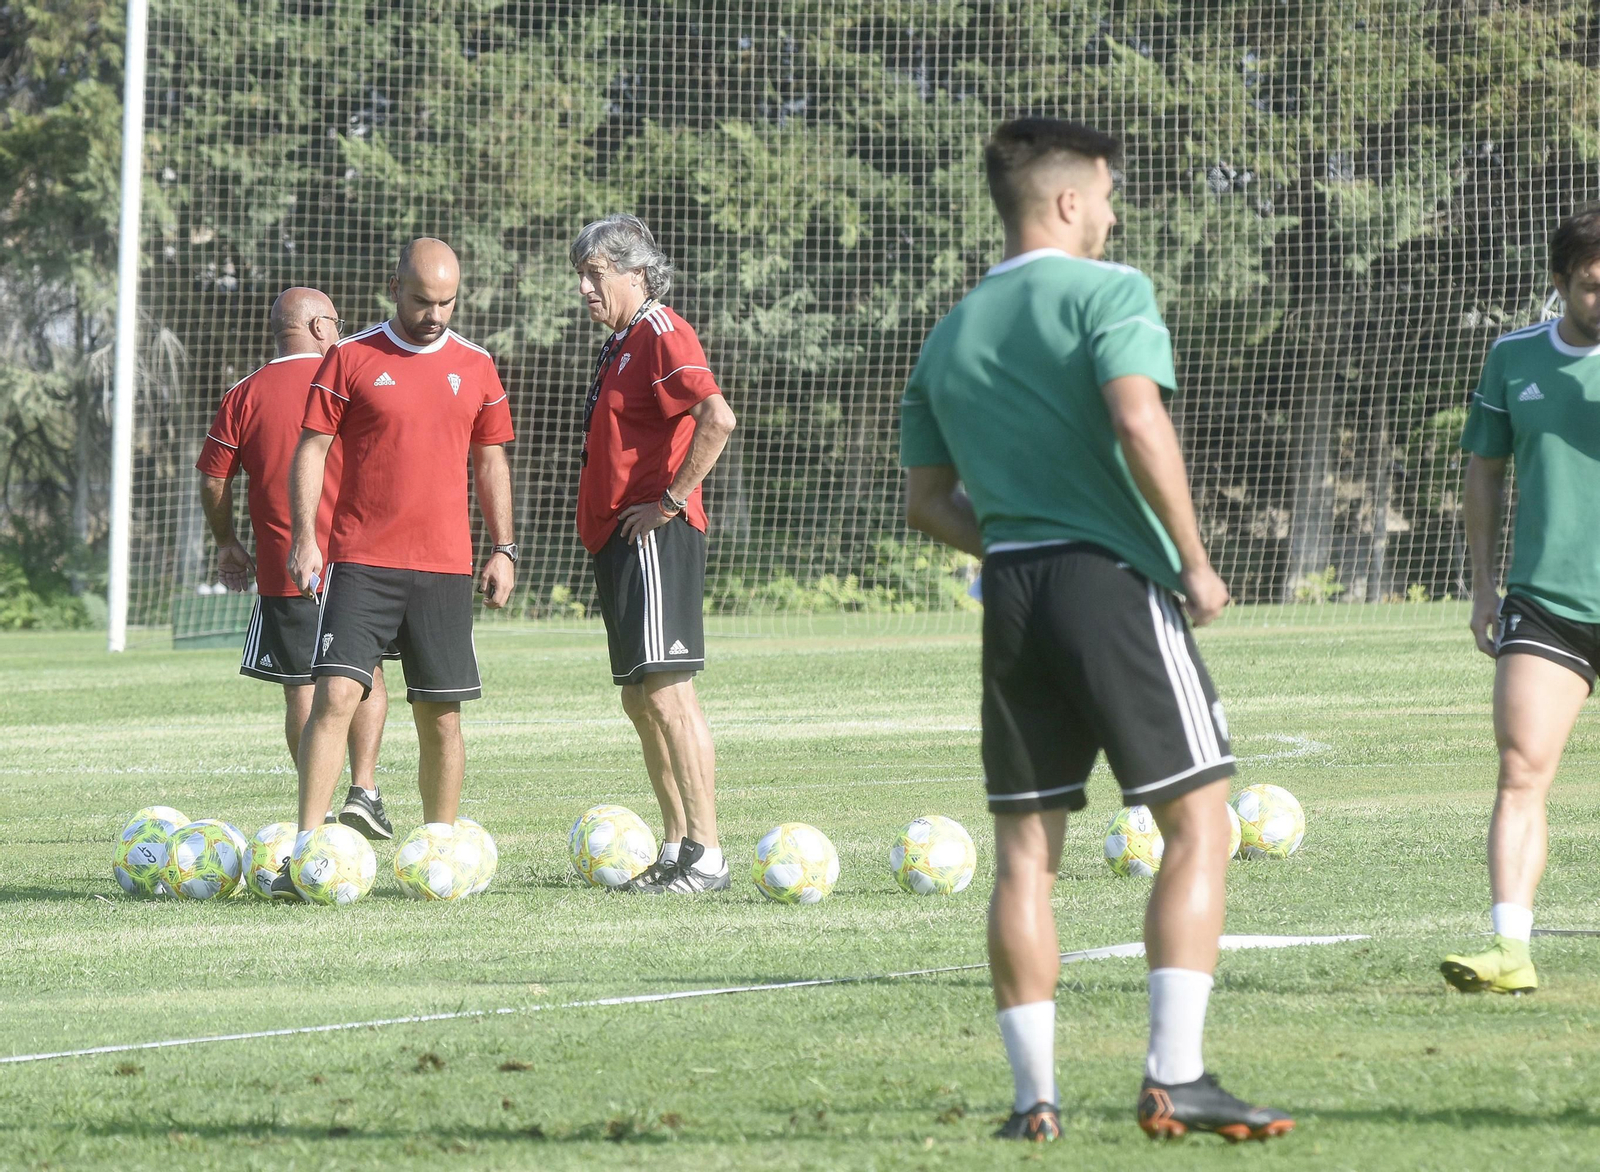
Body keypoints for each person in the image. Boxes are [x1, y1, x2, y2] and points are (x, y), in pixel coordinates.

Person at [900, 118, 1292, 1143]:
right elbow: (1136, 416)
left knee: (1026, 853)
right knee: (1199, 824)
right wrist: (1195, 560)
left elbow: (927, 502)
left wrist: (1014, 538)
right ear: (1067, 201)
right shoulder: (1108, 292)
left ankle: (1034, 1100)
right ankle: (1177, 1072)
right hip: (1109, 585)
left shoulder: (951, 330)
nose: (1113, 216)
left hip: (1012, 591)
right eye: (1107, 197)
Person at [273, 239, 516, 899]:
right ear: (394, 287)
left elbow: (491, 460)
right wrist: (306, 537)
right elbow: (313, 448)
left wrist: (504, 547)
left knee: (441, 716)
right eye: (421, 300)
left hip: (443, 569)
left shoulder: (478, 366)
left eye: (447, 301)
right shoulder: (350, 358)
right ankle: (307, 852)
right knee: (335, 697)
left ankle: (440, 851)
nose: (435, 313)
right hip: (362, 562)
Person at [1442, 208, 1600, 994]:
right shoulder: (1513, 359)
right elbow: (1484, 472)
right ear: (1561, 283)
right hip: (1546, 603)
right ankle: (1510, 949)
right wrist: (1481, 588)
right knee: (1520, 770)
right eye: (1593, 287)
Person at [570, 214, 737, 894]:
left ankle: (708, 854)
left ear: (635, 273)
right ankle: (675, 847)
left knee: (668, 692)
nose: (583, 288)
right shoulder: (621, 343)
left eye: (594, 274)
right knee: (640, 699)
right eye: (579, 276)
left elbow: (717, 418)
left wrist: (669, 501)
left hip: (654, 536)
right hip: (619, 538)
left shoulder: (663, 330)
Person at [195, 287, 394, 840]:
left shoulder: (245, 392)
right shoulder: (355, 375)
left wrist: (228, 541)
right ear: (319, 326)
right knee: (368, 674)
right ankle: (366, 790)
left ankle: (320, 809)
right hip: (363, 558)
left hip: (288, 566)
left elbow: (213, 476)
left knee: (303, 688)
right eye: (337, 320)